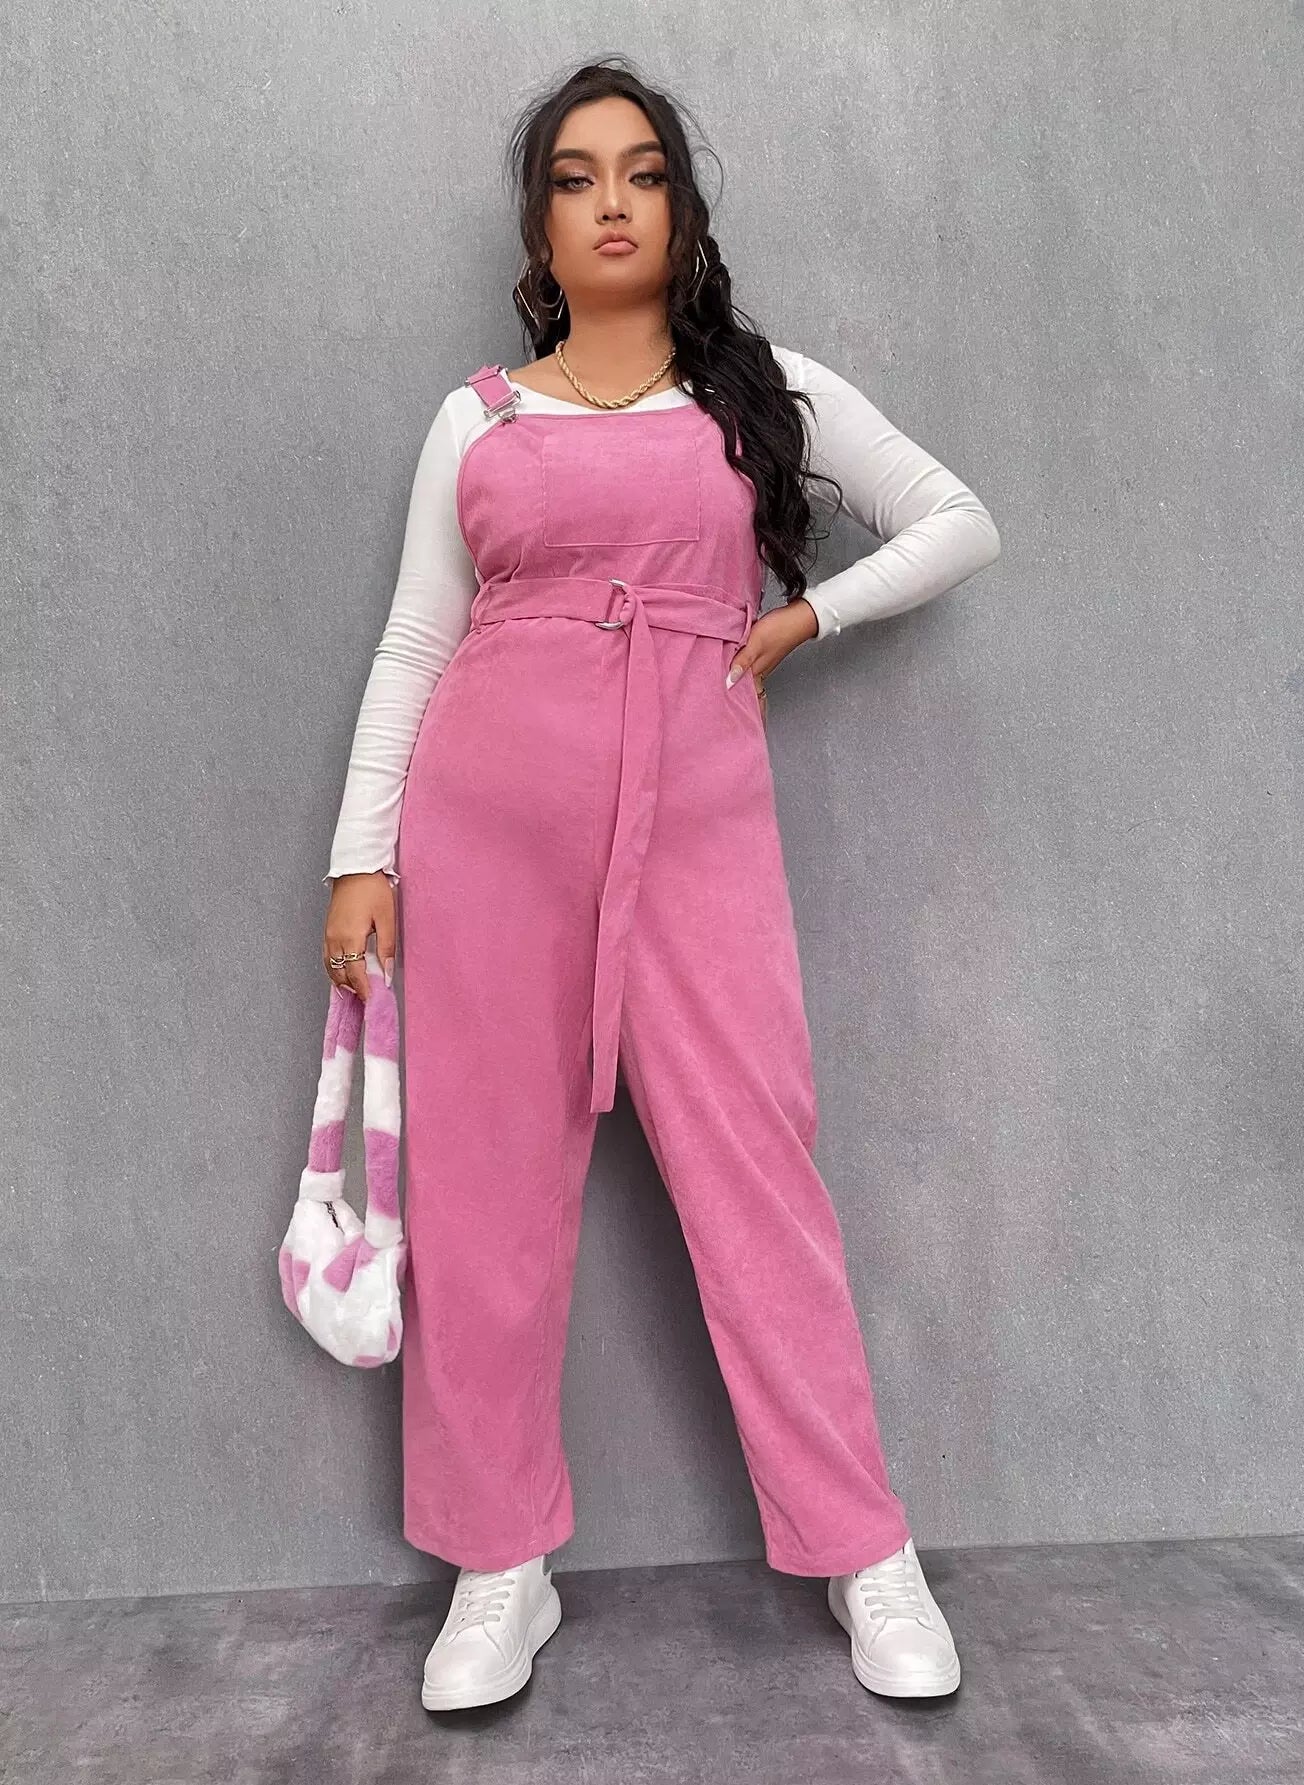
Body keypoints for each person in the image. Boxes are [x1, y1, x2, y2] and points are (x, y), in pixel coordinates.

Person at [321, 59, 1001, 1714]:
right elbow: (416, 641)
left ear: (682, 211)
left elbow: (955, 518)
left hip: (697, 825)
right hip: (484, 829)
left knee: (757, 1168)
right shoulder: (479, 418)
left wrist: (808, 615)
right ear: (541, 228)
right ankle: (500, 1562)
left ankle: (864, 1546)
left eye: (641, 172)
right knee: (484, 1195)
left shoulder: (761, 393)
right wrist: (359, 854)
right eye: (575, 177)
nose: (611, 201)